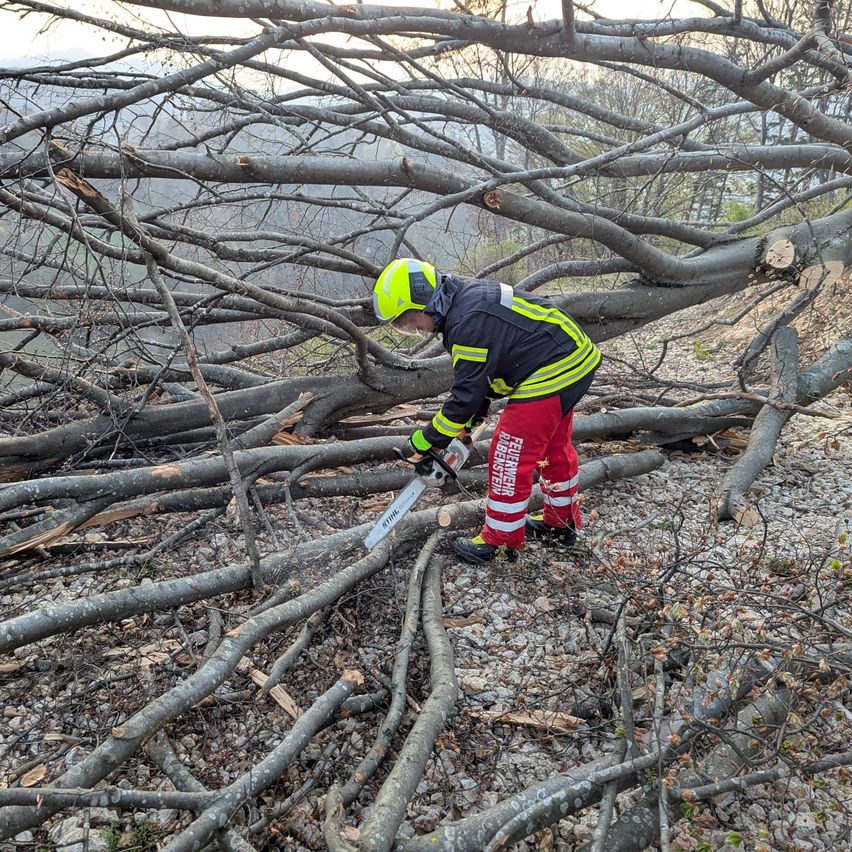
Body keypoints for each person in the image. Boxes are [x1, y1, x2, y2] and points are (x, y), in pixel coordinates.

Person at [372, 257, 601, 564]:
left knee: (508, 453)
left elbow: (464, 396)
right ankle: (561, 525)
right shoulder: (463, 302)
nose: (415, 328)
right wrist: (470, 423)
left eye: (410, 320)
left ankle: (501, 542)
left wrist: (427, 439)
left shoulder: (467, 321)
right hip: (571, 356)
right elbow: (481, 379)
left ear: (422, 301)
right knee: (553, 449)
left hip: (554, 366)